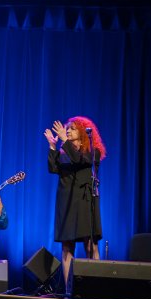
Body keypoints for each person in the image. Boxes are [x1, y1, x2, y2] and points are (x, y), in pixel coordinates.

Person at [44, 116, 106, 286]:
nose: (68, 131)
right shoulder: (65, 152)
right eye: (67, 128)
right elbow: (53, 168)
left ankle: (94, 287)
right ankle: (68, 290)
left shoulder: (92, 151)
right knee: (67, 246)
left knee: (90, 244)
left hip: (85, 200)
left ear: (83, 132)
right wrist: (52, 146)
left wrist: (64, 140)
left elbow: (79, 160)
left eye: (72, 128)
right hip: (66, 202)